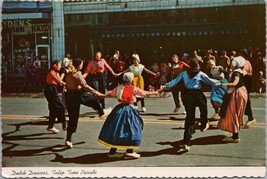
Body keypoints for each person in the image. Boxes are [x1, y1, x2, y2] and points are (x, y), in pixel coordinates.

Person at [160, 58, 220, 151]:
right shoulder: (200, 74)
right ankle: (204, 124)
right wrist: (222, 82)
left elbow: (173, 83)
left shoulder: (183, 74)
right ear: (197, 66)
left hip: (188, 95)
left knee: (189, 118)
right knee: (203, 108)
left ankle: (186, 142)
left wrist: (164, 87)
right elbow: (210, 82)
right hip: (197, 94)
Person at [97, 72, 158, 159]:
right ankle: (130, 151)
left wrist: (102, 95)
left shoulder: (119, 87)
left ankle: (112, 151)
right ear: (131, 80)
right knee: (133, 129)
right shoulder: (133, 88)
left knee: (116, 130)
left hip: (118, 110)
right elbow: (143, 93)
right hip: (129, 110)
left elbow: (110, 94)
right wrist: (154, 92)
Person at [64, 58, 111, 149]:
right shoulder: (77, 73)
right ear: (78, 66)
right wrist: (96, 92)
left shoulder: (69, 72)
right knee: (94, 99)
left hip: (69, 96)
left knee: (72, 118)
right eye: (81, 64)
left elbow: (71, 84)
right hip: (76, 95)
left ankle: (68, 140)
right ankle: (101, 112)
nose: (82, 66)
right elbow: (85, 86)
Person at [218, 56, 248, 143]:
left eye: (232, 62)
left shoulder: (236, 73)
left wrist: (223, 85)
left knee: (232, 113)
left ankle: (235, 137)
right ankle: (235, 135)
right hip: (241, 91)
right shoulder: (239, 71)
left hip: (236, 93)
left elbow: (235, 82)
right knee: (236, 113)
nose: (230, 64)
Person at [44, 60, 67, 134]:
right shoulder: (51, 72)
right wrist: (67, 84)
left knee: (53, 109)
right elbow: (59, 81)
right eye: (59, 65)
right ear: (54, 65)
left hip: (52, 89)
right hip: (50, 90)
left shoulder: (56, 72)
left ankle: (50, 126)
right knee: (62, 106)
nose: (60, 66)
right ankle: (64, 125)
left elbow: (60, 80)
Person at [239, 50, 256, 128]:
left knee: (245, 99)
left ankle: (250, 117)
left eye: (240, 54)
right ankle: (242, 118)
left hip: (246, 80)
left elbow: (244, 72)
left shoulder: (246, 62)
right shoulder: (242, 62)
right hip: (244, 80)